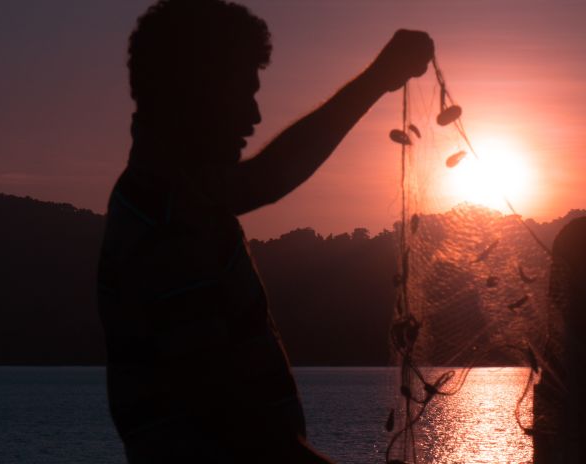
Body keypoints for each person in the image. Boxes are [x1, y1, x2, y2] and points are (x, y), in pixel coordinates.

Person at [97, 0, 434, 462]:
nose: (255, 118)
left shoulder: (175, 199)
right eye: (243, 95)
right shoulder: (166, 226)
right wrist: (378, 78)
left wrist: (379, 78)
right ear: (194, 94)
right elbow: (240, 434)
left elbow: (266, 179)